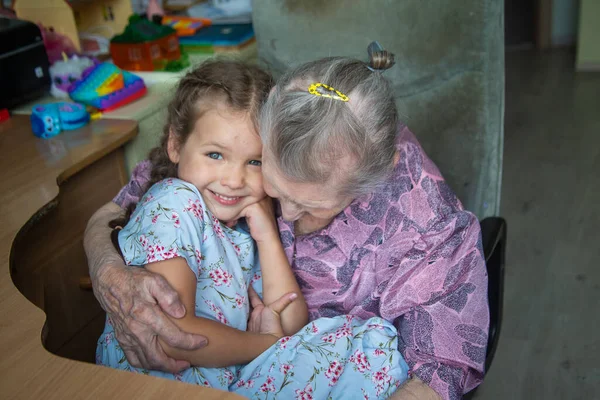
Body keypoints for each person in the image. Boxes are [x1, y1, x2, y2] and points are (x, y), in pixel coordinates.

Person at [85, 46, 488, 400]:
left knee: (379, 347)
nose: (287, 217)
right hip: (211, 366)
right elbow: (122, 208)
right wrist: (107, 267)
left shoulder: (424, 220)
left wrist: (269, 326)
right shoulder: (243, 138)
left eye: (312, 206)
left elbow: (441, 367)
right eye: (277, 190)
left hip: (261, 360)